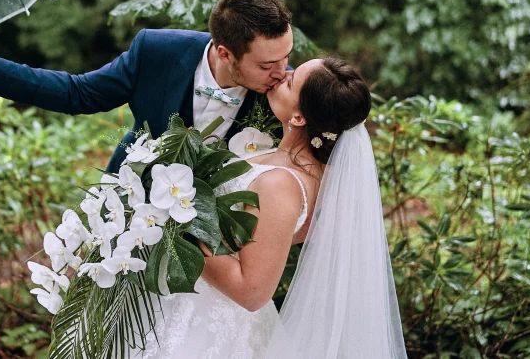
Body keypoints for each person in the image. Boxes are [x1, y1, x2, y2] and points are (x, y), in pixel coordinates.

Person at [130, 56, 408, 359]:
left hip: (209, 326)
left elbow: (253, 292)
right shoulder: (288, 161)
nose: (282, 75)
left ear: (300, 118)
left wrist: (175, 227)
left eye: (291, 81)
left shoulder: (282, 185)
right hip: (188, 301)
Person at [0, 0, 293, 172]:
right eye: (266, 65)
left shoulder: (288, 94)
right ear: (224, 53)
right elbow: (77, 93)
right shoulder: (156, 52)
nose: (281, 73)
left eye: (286, 58)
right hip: (131, 210)